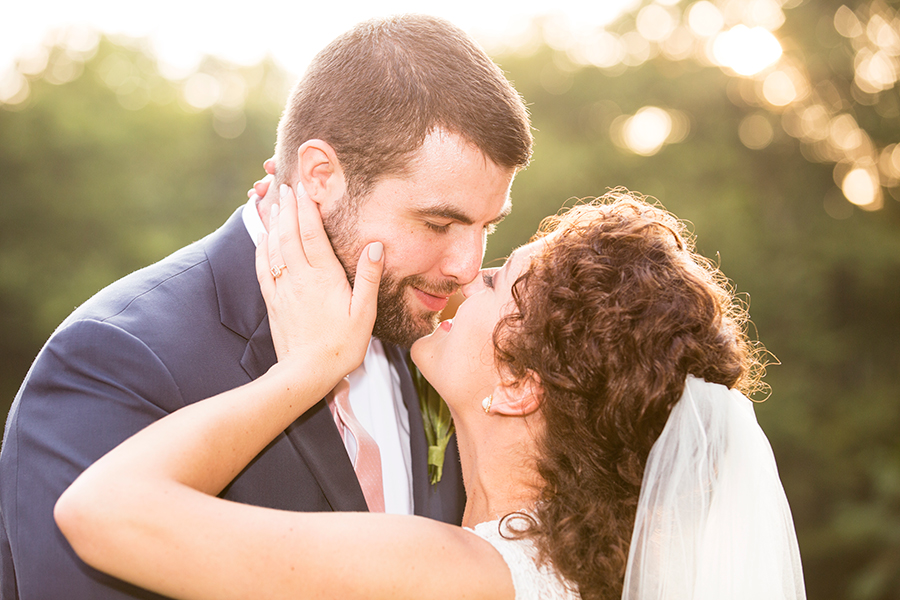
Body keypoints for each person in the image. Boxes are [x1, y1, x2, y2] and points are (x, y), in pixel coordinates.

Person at [0, 15, 532, 599]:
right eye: (437, 223)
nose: (466, 266)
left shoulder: (437, 344)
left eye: (487, 227)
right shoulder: (116, 357)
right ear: (321, 176)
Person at [55, 189, 807, 600]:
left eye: (494, 282)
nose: (462, 279)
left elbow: (102, 510)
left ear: (518, 386)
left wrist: (309, 368)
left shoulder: (454, 574)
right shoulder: (590, 580)